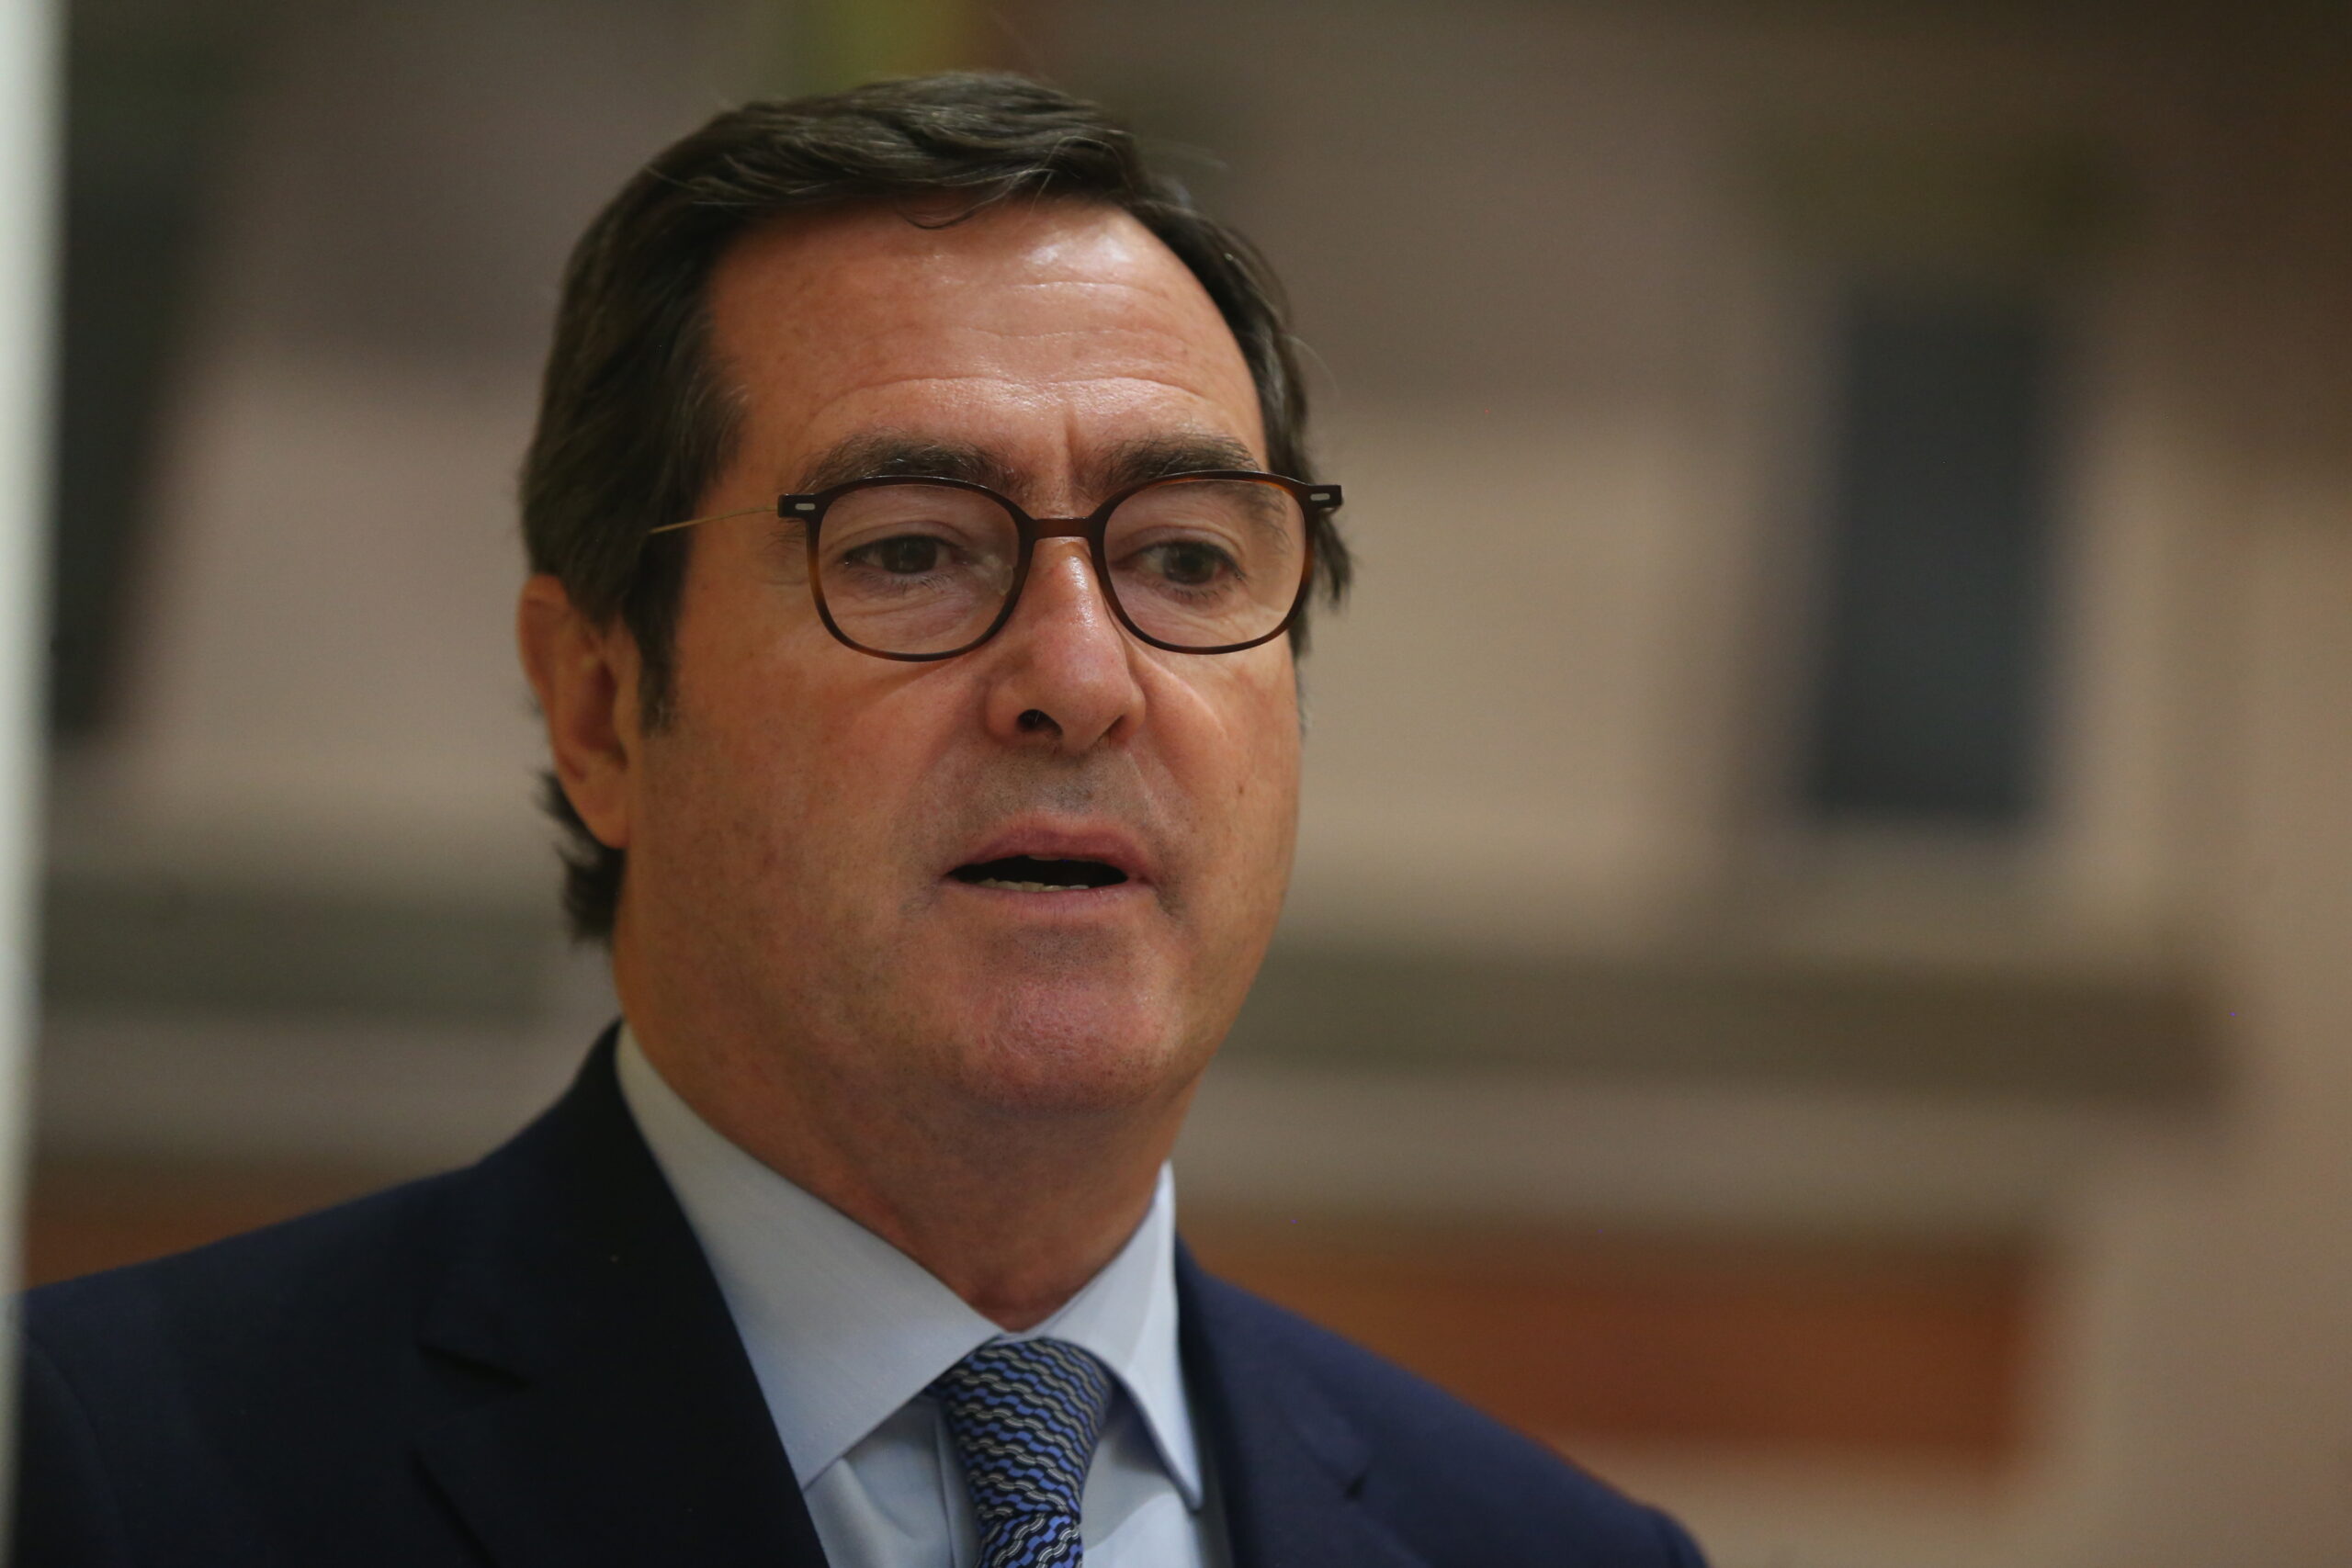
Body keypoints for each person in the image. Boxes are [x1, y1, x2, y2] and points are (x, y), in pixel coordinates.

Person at [14, 73, 1705, 1567]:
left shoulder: (1554, 1553)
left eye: (1187, 557)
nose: (1082, 679)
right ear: (599, 706)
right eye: (907, 550)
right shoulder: (96, 1478)